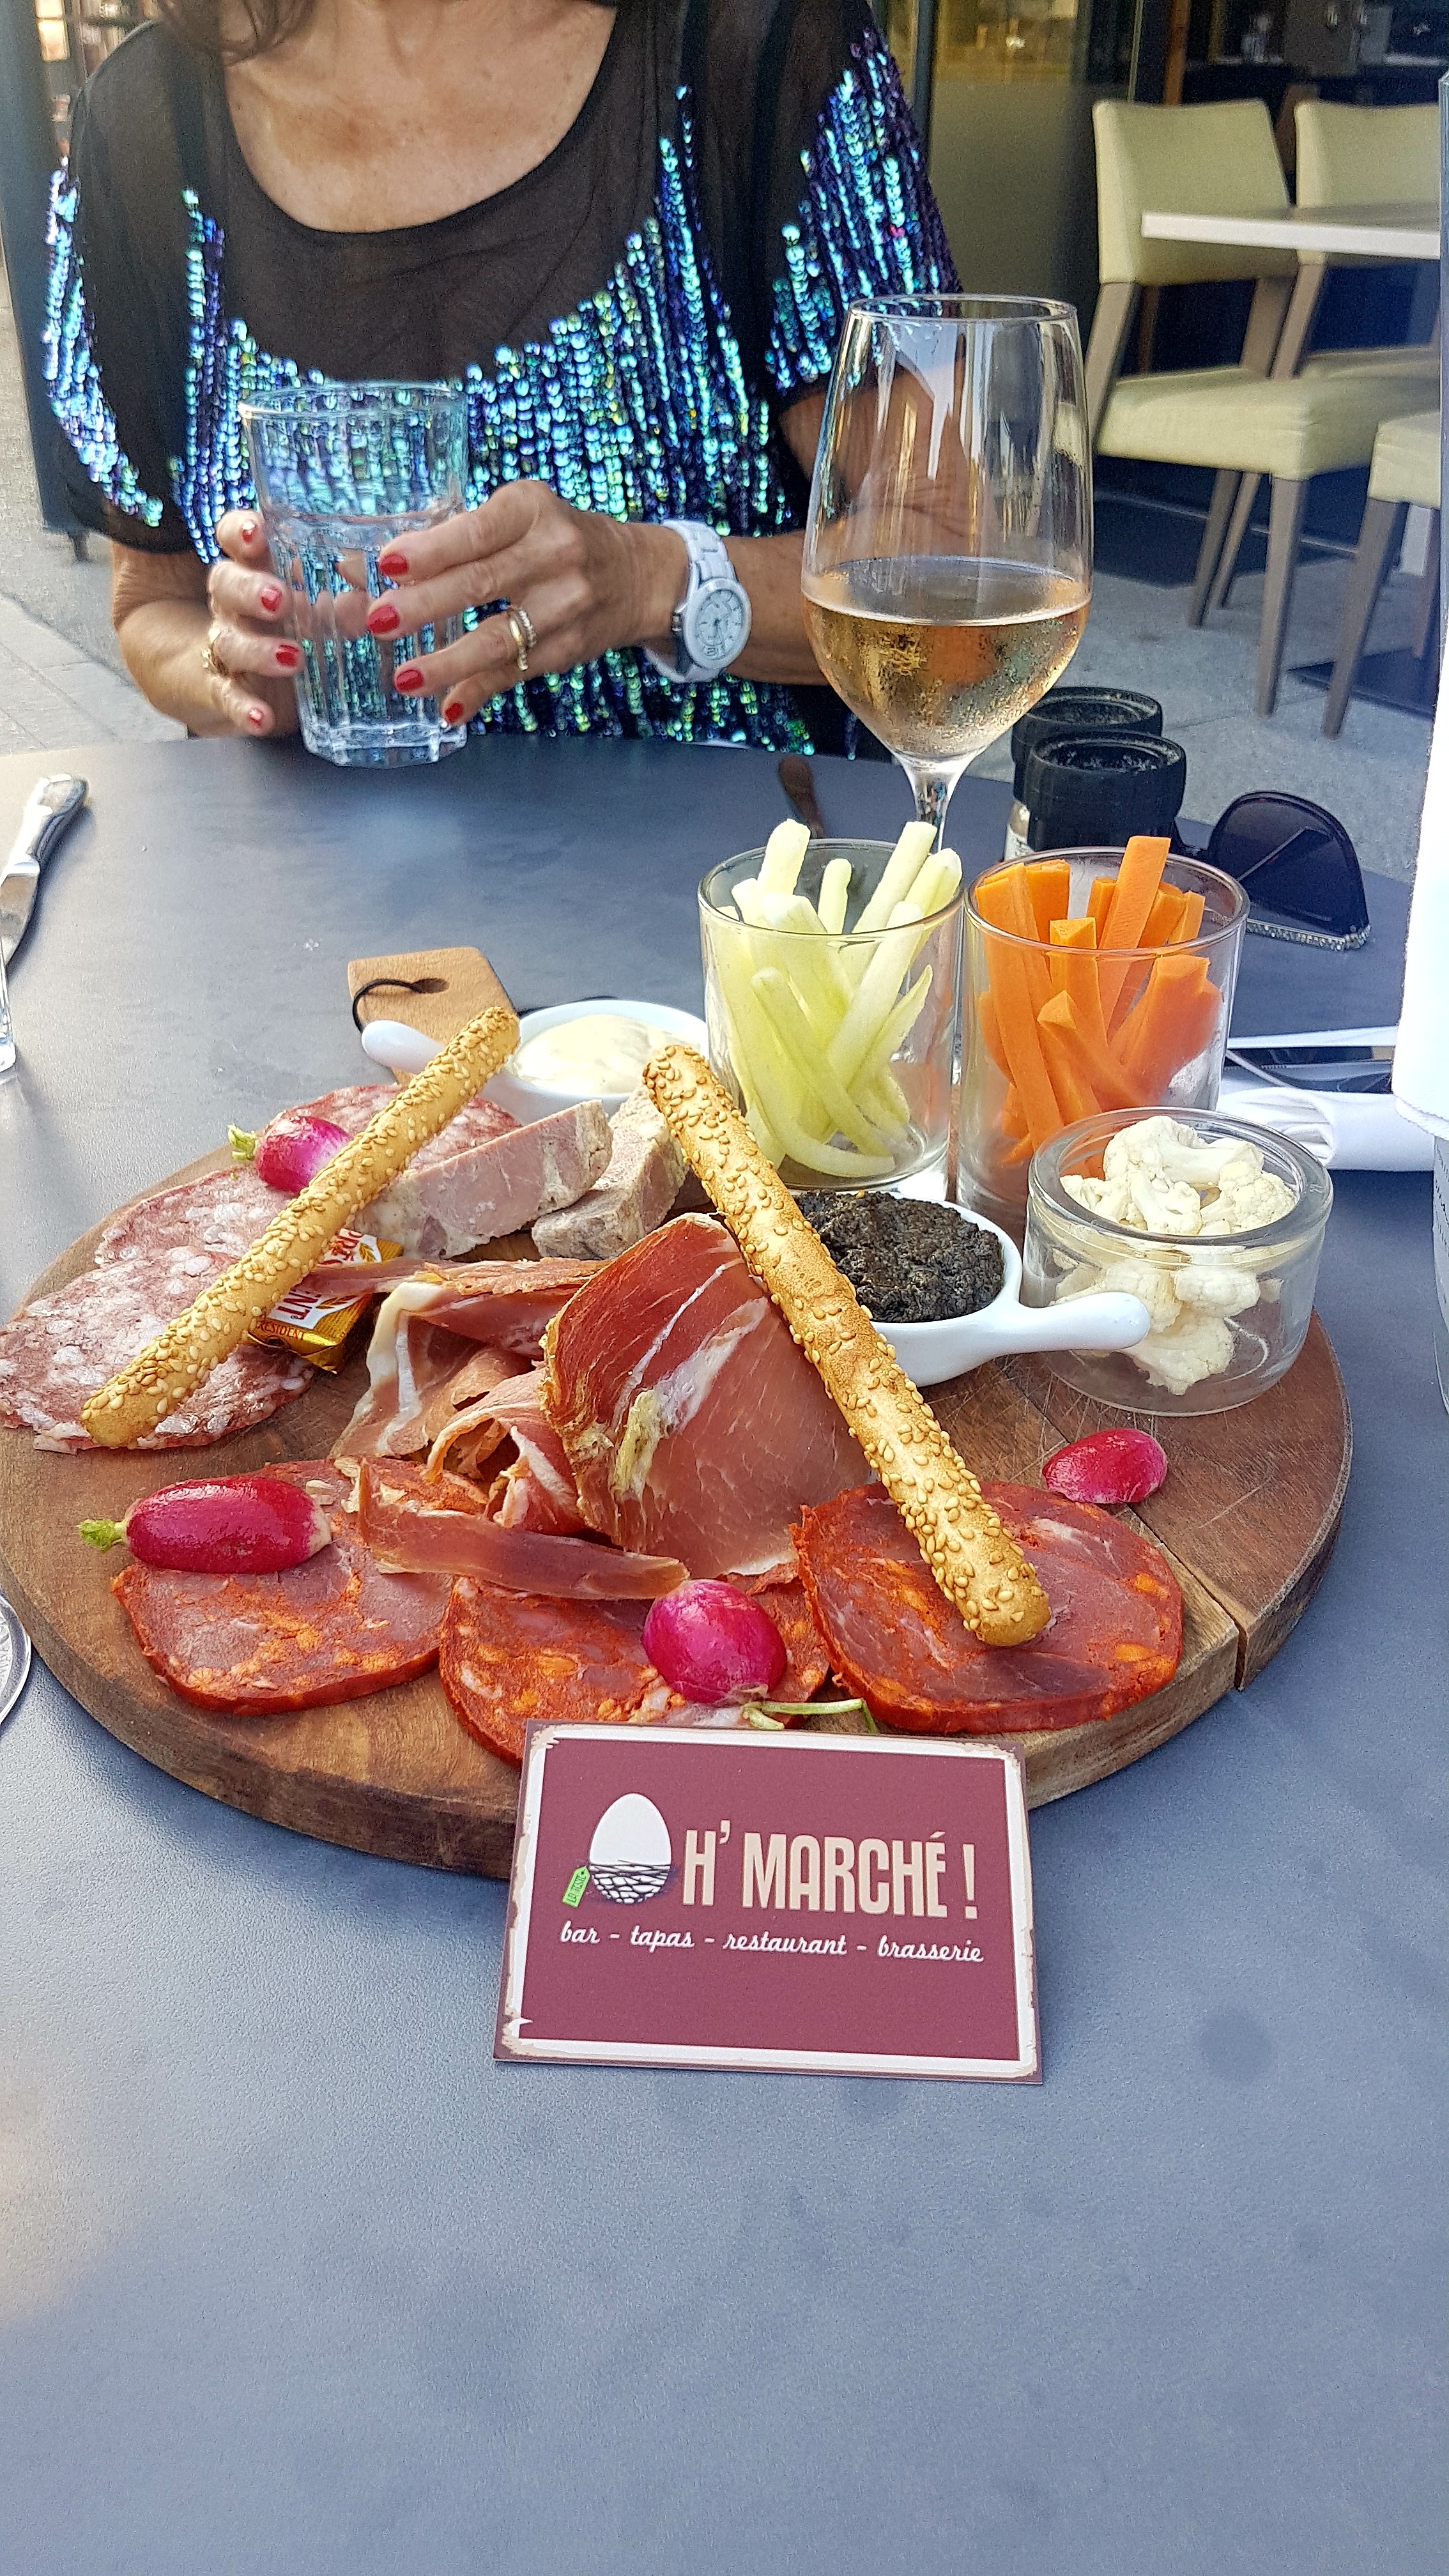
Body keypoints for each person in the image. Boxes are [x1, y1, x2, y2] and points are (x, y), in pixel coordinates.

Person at [45, 0, 956, 751]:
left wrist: (656, 580)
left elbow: (951, 585)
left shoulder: (752, 52)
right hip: (312, 899)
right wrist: (236, 670)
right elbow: (150, 604)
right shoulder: (145, 122)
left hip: (731, 897)